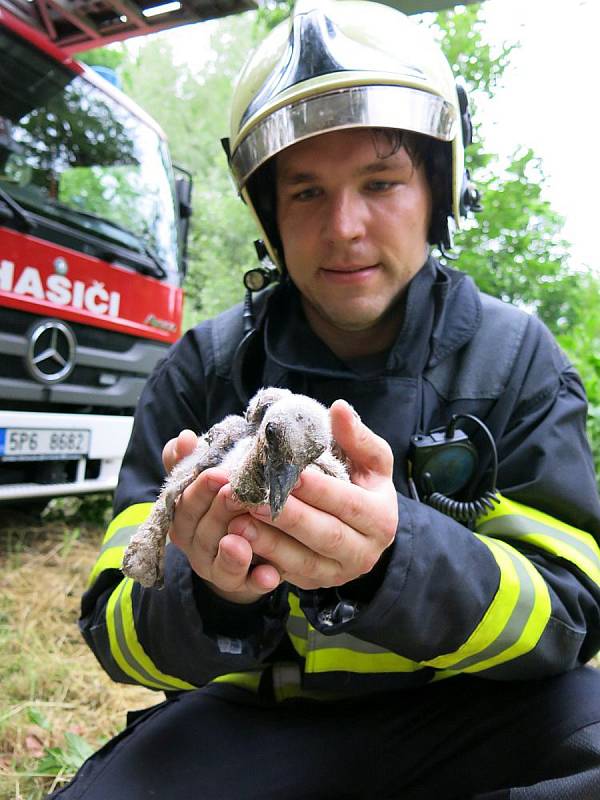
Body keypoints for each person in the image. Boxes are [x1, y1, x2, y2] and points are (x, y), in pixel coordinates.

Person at [49, 1, 600, 798]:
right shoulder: (202, 368)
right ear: (268, 214)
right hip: (252, 731)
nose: (344, 227)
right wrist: (212, 592)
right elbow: (115, 633)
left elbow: (569, 619)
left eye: (381, 182)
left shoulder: (518, 362)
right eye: (306, 193)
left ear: (439, 190)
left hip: (469, 718)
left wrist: (395, 557)